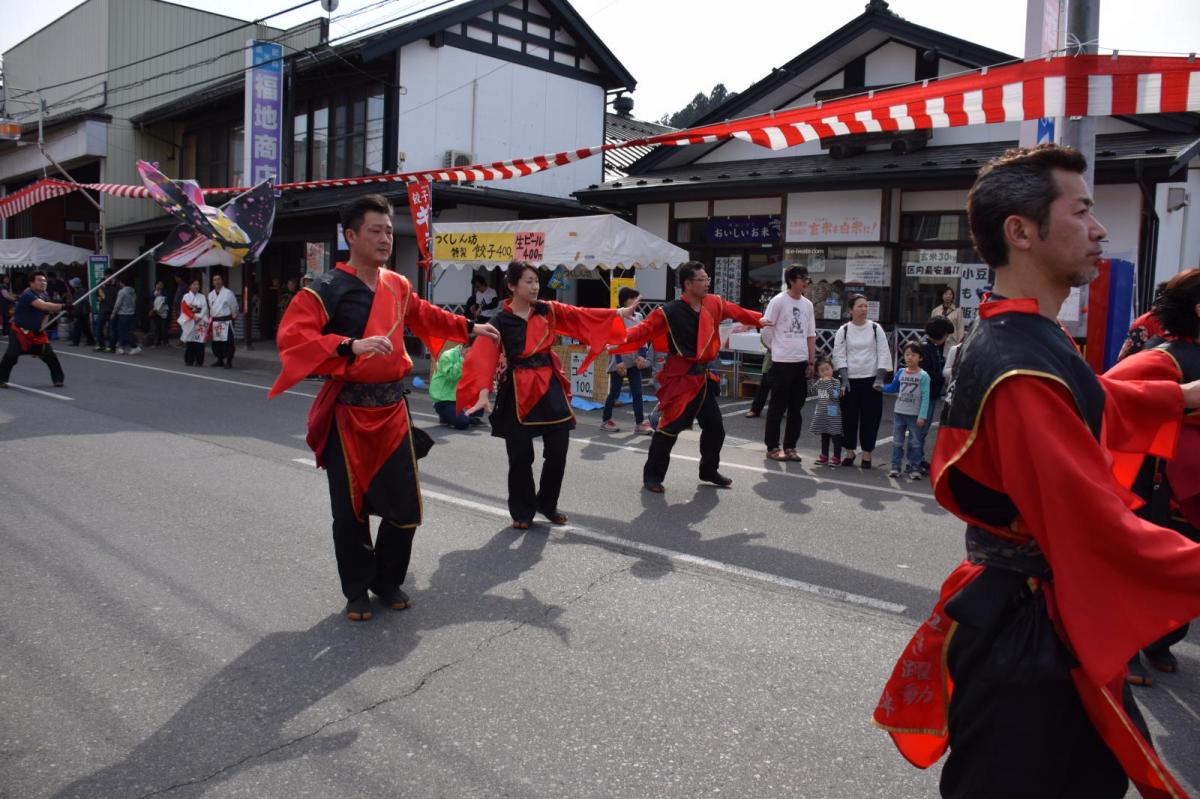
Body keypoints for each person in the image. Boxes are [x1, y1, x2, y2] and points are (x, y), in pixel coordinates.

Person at [873, 144, 1200, 799]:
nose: (1099, 227)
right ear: (1020, 232)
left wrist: (1185, 394)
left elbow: (1099, 400)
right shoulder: (1019, 362)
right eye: (1081, 210)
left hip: (1026, 623)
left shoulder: (1025, 336)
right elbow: (1098, 527)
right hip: (1025, 642)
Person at [270, 194, 499, 622]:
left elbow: (425, 316)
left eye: (389, 231)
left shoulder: (398, 284)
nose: (384, 238)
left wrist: (469, 327)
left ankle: (387, 579)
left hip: (393, 410)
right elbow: (294, 340)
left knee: (405, 508)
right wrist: (348, 346)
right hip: (348, 415)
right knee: (351, 509)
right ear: (350, 235)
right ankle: (357, 588)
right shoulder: (325, 290)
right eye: (375, 230)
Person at [459, 261, 632, 528]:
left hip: (549, 383)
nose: (535, 286)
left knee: (558, 449)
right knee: (520, 456)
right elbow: (483, 356)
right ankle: (522, 511)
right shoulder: (499, 320)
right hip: (517, 388)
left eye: (536, 281)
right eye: (528, 281)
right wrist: (483, 393)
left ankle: (547, 503)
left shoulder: (547, 310)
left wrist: (618, 313)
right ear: (512, 286)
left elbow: (581, 315)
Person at [1106, 268, 1200, 686]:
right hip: (1157, 483)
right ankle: (1124, 647)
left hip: (1190, 487)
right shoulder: (1162, 357)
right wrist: (1178, 400)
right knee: (1147, 570)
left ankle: (1161, 639)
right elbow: (1104, 397)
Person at [616, 261, 771, 493]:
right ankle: (653, 476)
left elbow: (734, 310)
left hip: (702, 377)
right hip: (681, 377)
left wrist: (757, 319)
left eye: (707, 278)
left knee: (715, 427)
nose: (707, 282)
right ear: (688, 284)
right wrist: (615, 339)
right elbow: (643, 330)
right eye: (702, 279)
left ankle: (708, 470)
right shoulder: (669, 311)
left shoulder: (713, 302)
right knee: (669, 428)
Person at [761, 265, 816, 462]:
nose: (806, 282)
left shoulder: (808, 304)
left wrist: (811, 361)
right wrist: (776, 349)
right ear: (792, 280)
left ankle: (791, 446)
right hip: (781, 361)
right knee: (777, 406)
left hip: (800, 361)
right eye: (803, 278)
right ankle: (772, 446)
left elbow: (811, 335)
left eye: (807, 278)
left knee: (796, 408)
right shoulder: (778, 301)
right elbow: (765, 329)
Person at [831, 294, 892, 469]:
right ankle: (849, 452)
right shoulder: (844, 329)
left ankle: (867, 453)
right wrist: (844, 378)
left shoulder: (875, 328)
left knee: (871, 417)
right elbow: (839, 354)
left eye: (866, 306)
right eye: (860, 306)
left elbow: (883, 352)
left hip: (871, 379)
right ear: (850, 310)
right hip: (850, 380)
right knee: (849, 418)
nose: (864, 309)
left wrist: (880, 377)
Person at [0, 271, 67, 388]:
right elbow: (44, 306)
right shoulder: (28, 295)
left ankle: (58, 380)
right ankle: (1, 380)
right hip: (20, 332)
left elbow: (46, 313)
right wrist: (64, 306)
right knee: (11, 356)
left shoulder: (45, 295)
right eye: (40, 280)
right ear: (31, 283)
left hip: (37, 334)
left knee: (50, 356)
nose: (43, 282)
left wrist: (42, 328)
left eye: (44, 280)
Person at [600, 287, 652, 434]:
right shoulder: (618, 316)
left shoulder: (639, 316)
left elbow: (643, 338)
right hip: (619, 362)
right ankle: (605, 420)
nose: (636, 301)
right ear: (625, 300)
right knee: (615, 392)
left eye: (637, 298)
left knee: (637, 392)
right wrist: (618, 361)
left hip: (634, 361)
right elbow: (614, 339)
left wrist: (642, 355)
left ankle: (639, 423)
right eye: (633, 298)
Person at [882, 342, 931, 481]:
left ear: (920, 358)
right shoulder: (900, 372)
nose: (909, 357)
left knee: (915, 442)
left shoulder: (924, 376)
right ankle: (895, 466)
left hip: (915, 415)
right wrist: (881, 387)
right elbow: (893, 387)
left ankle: (914, 466)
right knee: (897, 441)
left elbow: (926, 397)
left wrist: (922, 415)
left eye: (913, 355)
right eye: (907, 354)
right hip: (899, 412)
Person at [917, 316, 955, 472]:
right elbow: (929, 373)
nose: (946, 338)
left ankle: (918, 458)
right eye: (945, 334)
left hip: (930, 393)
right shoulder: (926, 347)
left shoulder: (929, 346)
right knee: (921, 429)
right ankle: (915, 460)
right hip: (926, 394)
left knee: (922, 429)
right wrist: (943, 377)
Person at [428, 342, 479, 430]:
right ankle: (445, 415)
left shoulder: (473, 355)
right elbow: (451, 376)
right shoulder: (447, 355)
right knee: (463, 423)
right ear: (466, 346)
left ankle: (456, 415)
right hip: (443, 399)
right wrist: (463, 358)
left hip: (458, 397)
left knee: (480, 393)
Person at [809, 357, 843, 466]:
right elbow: (811, 391)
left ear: (832, 369)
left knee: (835, 435)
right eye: (822, 371)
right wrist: (814, 382)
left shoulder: (835, 382)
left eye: (827, 369)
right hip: (821, 412)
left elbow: (835, 396)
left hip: (832, 412)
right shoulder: (819, 381)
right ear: (818, 373)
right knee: (824, 436)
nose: (826, 372)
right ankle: (824, 456)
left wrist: (828, 383)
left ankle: (836, 457)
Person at [208, 273, 238, 368]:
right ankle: (219, 359)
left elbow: (234, 306)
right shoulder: (210, 294)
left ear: (222, 281)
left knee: (228, 342)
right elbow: (211, 308)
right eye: (215, 280)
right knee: (217, 342)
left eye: (218, 279)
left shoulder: (228, 293)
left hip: (225, 320)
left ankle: (229, 361)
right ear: (213, 282)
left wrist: (233, 316)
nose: (217, 281)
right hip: (216, 321)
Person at [179, 279, 208, 366]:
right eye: (194, 284)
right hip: (190, 320)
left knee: (199, 341)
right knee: (190, 341)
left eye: (198, 284)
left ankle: (199, 361)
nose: (196, 286)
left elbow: (205, 308)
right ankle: (189, 360)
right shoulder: (186, 296)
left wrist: (199, 317)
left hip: (200, 320)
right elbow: (184, 309)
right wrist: (193, 316)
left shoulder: (202, 296)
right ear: (190, 286)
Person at [111, 276, 141, 355]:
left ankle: (134, 346)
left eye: (120, 282)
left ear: (123, 283)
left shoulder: (122, 292)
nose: (120, 283)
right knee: (125, 331)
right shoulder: (133, 291)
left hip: (123, 314)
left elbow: (117, 304)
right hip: (131, 314)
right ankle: (121, 348)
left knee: (124, 332)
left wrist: (113, 313)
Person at [744, 346, 772, 418]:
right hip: (772, 357)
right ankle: (755, 410)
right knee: (764, 386)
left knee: (782, 388)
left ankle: (780, 410)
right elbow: (764, 337)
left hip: (787, 357)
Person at [67, 277, 95, 347]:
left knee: (77, 327)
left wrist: (74, 313)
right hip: (84, 311)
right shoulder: (81, 291)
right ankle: (90, 340)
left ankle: (76, 341)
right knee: (85, 327)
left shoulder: (79, 292)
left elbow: (78, 304)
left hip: (81, 312)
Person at [95, 271, 117, 353]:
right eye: (107, 276)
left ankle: (111, 346)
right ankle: (101, 345)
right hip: (103, 309)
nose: (108, 278)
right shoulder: (100, 284)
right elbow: (96, 295)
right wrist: (98, 297)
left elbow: (117, 296)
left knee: (112, 329)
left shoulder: (116, 285)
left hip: (113, 310)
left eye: (110, 276)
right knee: (99, 327)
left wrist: (113, 285)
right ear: (104, 276)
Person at [148, 280, 169, 347]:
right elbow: (150, 301)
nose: (160, 286)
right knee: (156, 327)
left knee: (164, 327)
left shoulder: (165, 292)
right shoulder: (153, 293)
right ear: (156, 285)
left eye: (161, 284)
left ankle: (165, 341)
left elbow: (167, 300)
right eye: (159, 284)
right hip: (155, 312)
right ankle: (157, 342)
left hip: (163, 312)